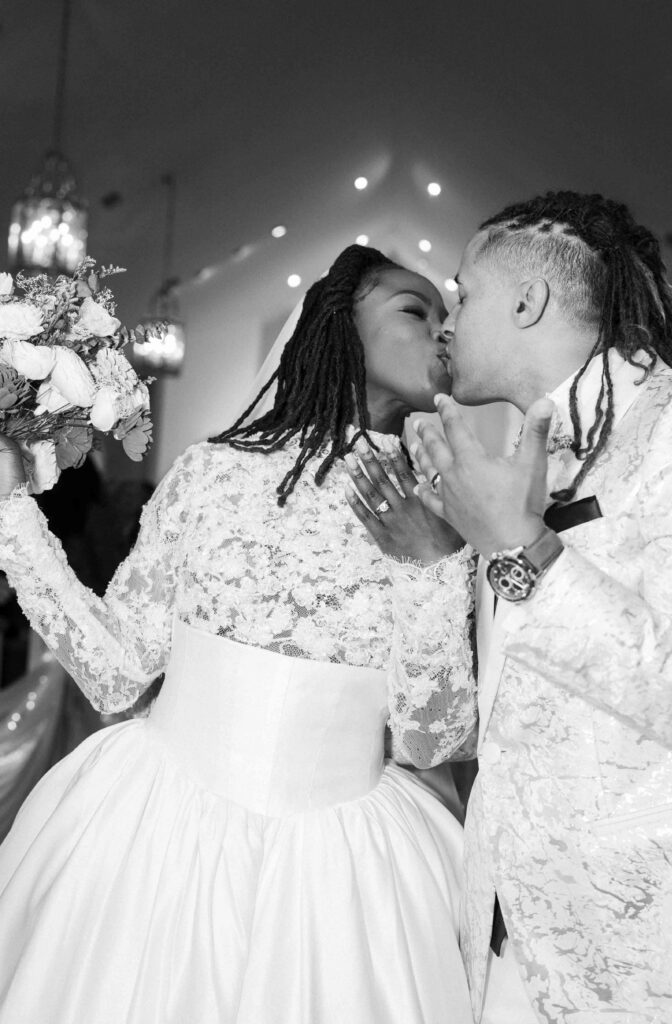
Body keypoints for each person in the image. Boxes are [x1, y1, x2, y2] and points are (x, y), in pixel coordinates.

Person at [0, 244, 477, 1024]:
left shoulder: (454, 505)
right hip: (153, 840)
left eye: (449, 315)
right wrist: (12, 518)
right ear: (337, 328)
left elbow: (433, 740)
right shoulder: (212, 473)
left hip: (340, 878)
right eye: (415, 309)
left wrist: (434, 565)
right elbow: (119, 672)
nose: (443, 331)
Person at [347, 193, 672, 1023]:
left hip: (657, 953)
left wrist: (525, 546)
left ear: (528, 301)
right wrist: (444, 559)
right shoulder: (532, 460)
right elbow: (468, 731)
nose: (448, 323)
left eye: (463, 295)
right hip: (506, 945)